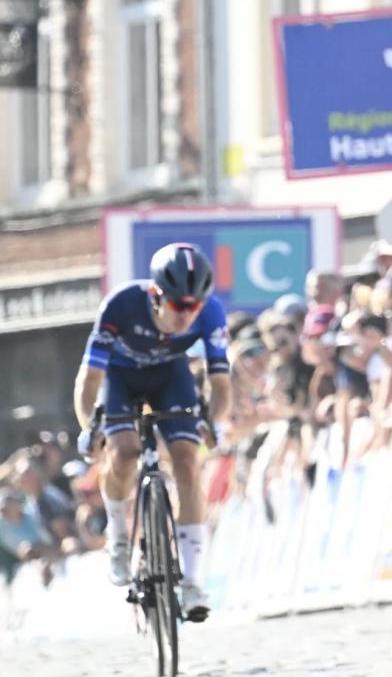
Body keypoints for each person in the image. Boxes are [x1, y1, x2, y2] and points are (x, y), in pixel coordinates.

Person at [72, 243, 232, 621]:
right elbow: (89, 378)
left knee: (188, 463)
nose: (187, 315)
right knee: (124, 453)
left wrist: (216, 423)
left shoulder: (210, 313)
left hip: (171, 378)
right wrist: (88, 426)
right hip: (120, 379)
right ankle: (119, 536)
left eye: (194, 306)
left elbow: (221, 383)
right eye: (179, 306)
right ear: (156, 295)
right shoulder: (122, 305)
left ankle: (192, 582)